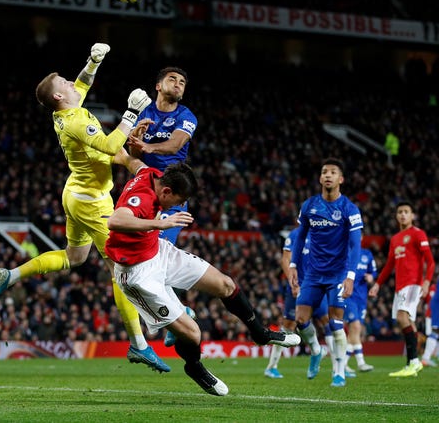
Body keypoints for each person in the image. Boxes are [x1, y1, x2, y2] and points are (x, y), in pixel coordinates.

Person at [0, 43, 169, 372]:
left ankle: (10, 275)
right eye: (64, 82)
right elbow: (110, 145)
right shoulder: (77, 120)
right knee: (120, 270)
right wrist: (130, 114)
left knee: (75, 257)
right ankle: (140, 343)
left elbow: (82, 84)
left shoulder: (64, 111)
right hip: (93, 202)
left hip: (75, 193)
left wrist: (93, 61)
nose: (72, 83)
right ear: (57, 97)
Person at [105, 154, 300, 396]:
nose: (177, 207)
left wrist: (132, 149)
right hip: (137, 274)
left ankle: (259, 333)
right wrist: (160, 224)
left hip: (157, 251)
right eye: (178, 200)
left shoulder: (150, 174)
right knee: (193, 332)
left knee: (226, 284)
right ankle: (194, 367)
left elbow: (132, 162)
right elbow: (116, 220)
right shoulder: (143, 199)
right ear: (165, 191)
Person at [289, 158, 364, 387]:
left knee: (335, 323)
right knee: (300, 319)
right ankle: (315, 351)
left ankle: (338, 371)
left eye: (332, 172)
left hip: (337, 275)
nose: (328, 175)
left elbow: (355, 245)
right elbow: (300, 236)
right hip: (312, 274)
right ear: (320, 178)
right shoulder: (310, 205)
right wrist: (293, 264)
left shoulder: (349, 209)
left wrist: (350, 276)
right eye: (324, 172)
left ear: (340, 179)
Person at [127, 66, 196, 245]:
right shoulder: (143, 112)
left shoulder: (186, 116)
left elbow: (175, 145)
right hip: (145, 186)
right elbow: (134, 154)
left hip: (171, 189)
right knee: (134, 244)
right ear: (158, 86)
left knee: (160, 245)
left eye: (182, 83)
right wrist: (138, 136)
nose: (178, 85)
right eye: (172, 79)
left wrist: (149, 147)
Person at [368, 201, 436, 377]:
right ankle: (411, 364)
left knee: (401, 316)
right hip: (400, 287)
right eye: (400, 212)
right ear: (396, 216)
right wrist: (377, 284)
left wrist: (427, 281)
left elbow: (430, 260)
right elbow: (389, 265)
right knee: (407, 322)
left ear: (412, 215)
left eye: (406, 211)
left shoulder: (418, 234)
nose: (403, 215)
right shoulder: (395, 239)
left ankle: (414, 361)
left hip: (413, 284)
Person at [264, 226, 332, 379]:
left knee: (326, 319)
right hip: (297, 287)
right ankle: (272, 366)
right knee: (289, 325)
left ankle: (339, 368)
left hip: (316, 285)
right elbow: (285, 259)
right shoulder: (295, 235)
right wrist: (293, 282)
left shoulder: (323, 235)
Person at [343, 244, 378, 375]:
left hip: (362, 298)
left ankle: (343, 363)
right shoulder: (345, 251)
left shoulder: (367, 254)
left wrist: (371, 276)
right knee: (356, 327)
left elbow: (373, 271)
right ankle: (361, 362)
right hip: (348, 295)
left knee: (354, 331)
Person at [421, 283, 439, 366]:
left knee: (435, 334)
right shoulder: (433, 287)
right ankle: (426, 358)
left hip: (432, 312)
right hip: (432, 313)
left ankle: (427, 358)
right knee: (434, 334)